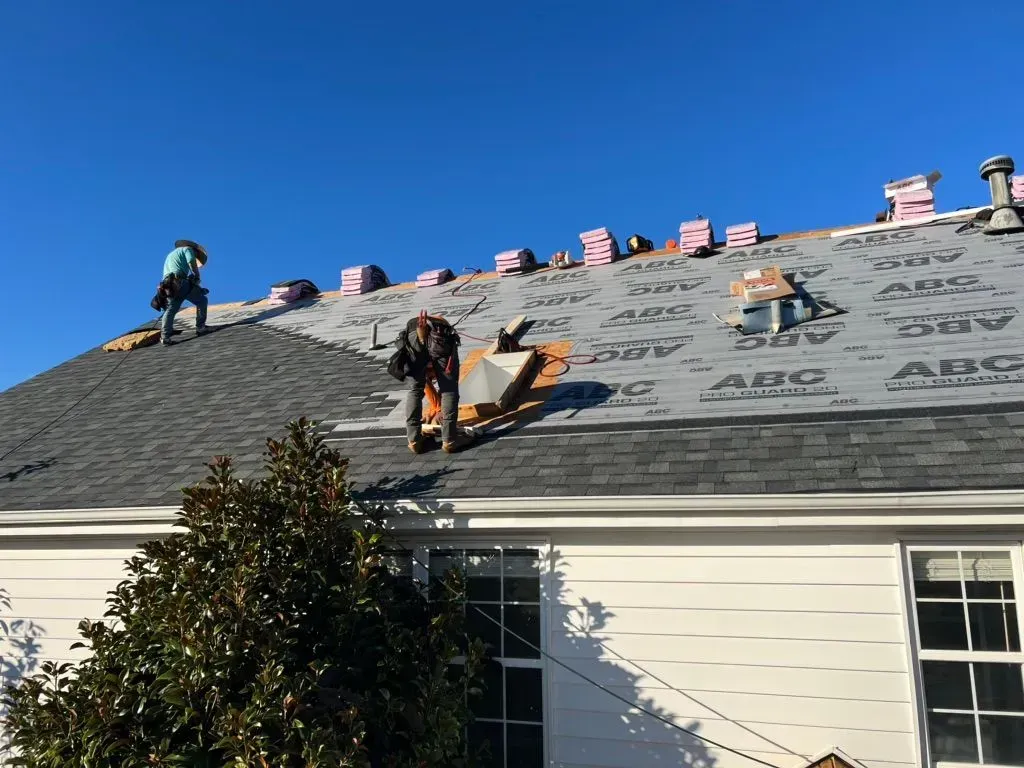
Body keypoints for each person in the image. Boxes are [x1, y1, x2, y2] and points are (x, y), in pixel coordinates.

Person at [402, 311, 474, 454]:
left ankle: (414, 440)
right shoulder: (440, 329)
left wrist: (438, 409)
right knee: (449, 389)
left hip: (413, 334)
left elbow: (421, 381)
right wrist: (438, 409)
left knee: (415, 389)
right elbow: (443, 386)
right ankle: (449, 441)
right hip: (438, 334)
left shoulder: (424, 362)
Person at [160, 240, 210, 346]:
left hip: (167, 284)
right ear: (194, 250)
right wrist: (197, 276)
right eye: (196, 254)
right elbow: (191, 261)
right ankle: (200, 327)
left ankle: (165, 337)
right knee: (202, 300)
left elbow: (176, 270)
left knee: (171, 309)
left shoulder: (171, 255)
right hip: (179, 282)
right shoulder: (187, 249)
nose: (196, 256)